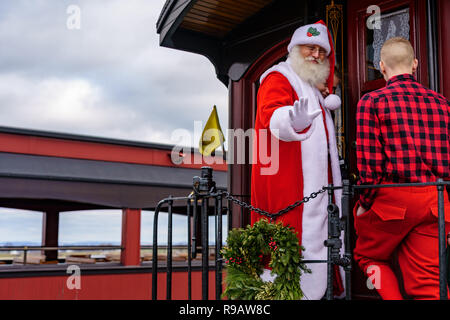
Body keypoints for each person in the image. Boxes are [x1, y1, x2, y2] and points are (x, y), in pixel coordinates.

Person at [251, 21, 344, 300]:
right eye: (310, 47)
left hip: (317, 195)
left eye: (320, 51)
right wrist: (292, 120)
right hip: (292, 191)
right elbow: (272, 116)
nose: (315, 54)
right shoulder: (278, 77)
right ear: (294, 48)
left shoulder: (311, 88)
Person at [354, 37, 450, 300]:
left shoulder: (371, 102)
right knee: (428, 282)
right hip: (435, 199)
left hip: (393, 199)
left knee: (368, 256)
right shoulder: (442, 103)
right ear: (415, 64)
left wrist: (365, 200)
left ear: (381, 66)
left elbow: (370, 163)